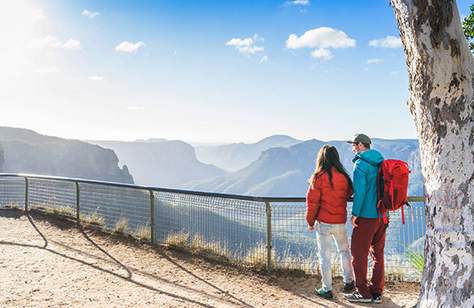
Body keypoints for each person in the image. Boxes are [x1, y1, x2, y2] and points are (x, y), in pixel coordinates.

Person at [306, 145, 355, 300]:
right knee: (344, 252)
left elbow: (312, 201)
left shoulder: (318, 177)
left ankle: (326, 288)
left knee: (325, 256)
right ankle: (349, 282)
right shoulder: (344, 177)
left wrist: (310, 221)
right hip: (340, 221)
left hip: (324, 223)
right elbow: (349, 193)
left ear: (321, 158)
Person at [344, 134, 385, 304]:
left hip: (366, 216)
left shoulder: (360, 164)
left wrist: (355, 214)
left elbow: (360, 193)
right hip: (382, 216)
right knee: (378, 255)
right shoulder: (381, 163)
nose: (352, 148)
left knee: (358, 254)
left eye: (354, 144)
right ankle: (376, 292)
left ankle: (363, 293)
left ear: (361, 145)